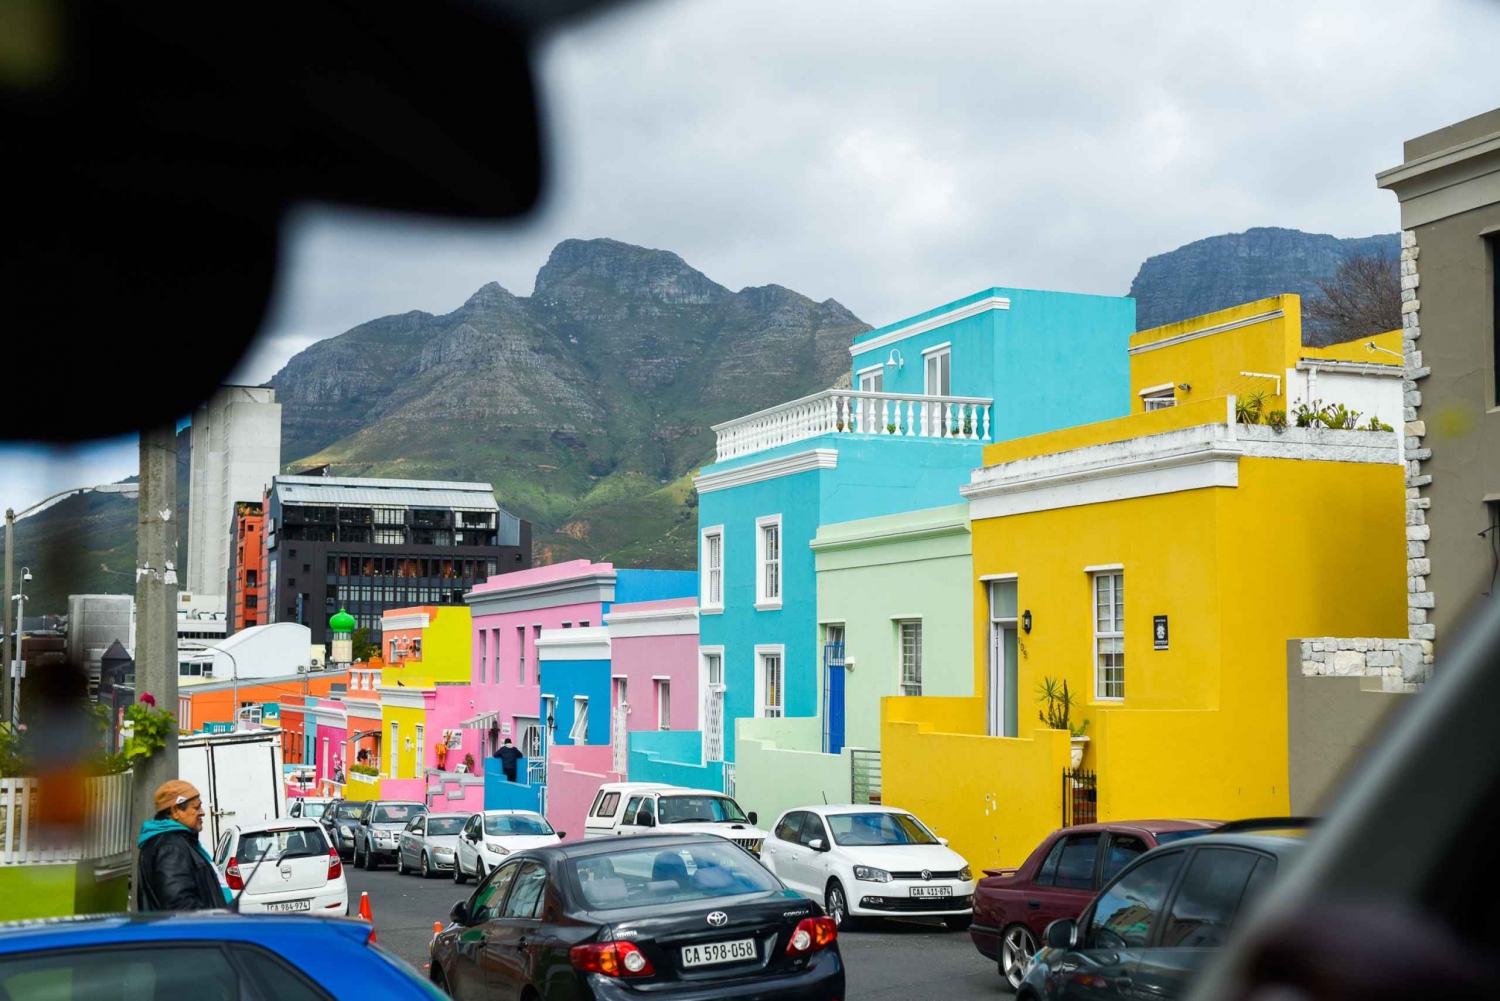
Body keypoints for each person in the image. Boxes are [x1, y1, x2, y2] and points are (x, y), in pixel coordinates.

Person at [137, 779, 232, 911]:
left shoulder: (172, 842)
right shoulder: (171, 848)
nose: (203, 812)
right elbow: (180, 906)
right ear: (175, 811)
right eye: (196, 807)